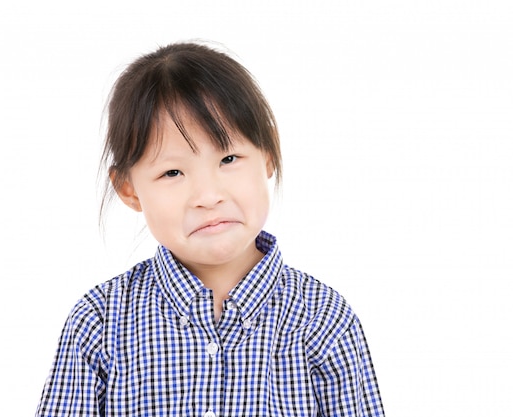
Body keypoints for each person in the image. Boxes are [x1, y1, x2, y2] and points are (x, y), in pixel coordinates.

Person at [36, 41, 385, 417]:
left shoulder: (323, 320)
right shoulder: (100, 323)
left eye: (229, 158)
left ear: (268, 153)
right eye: (172, 172)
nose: (207, 195)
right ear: (129, 189)